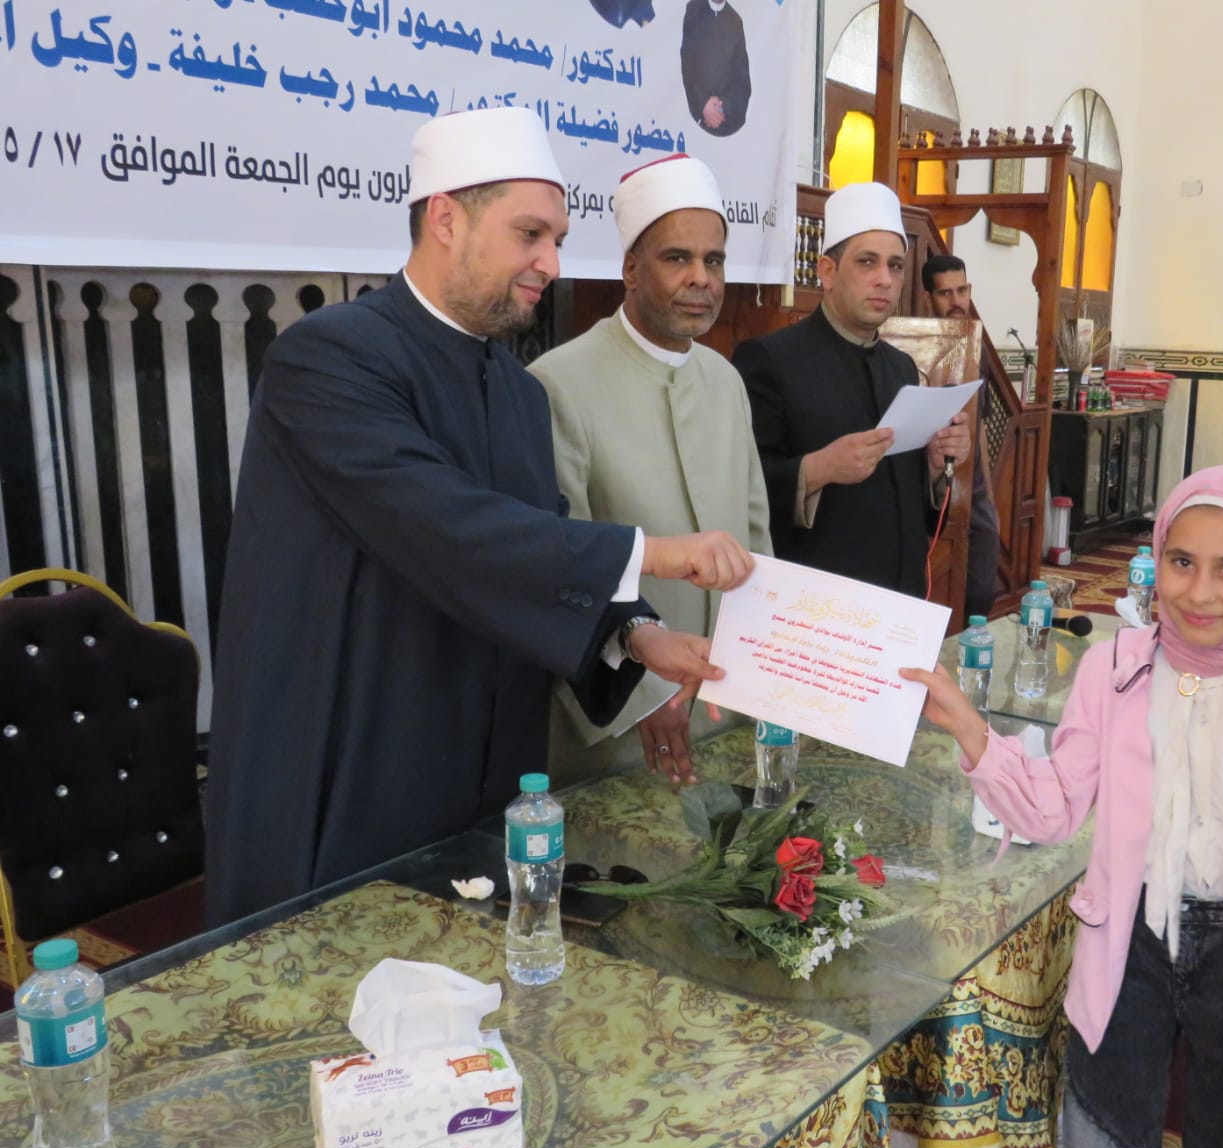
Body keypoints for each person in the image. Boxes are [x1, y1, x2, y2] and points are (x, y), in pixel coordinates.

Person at [205, 107, 753, 926]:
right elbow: (446, 526)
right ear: (446, 219)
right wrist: (660, 554)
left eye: (557, 239)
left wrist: (639, 634)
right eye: (529, 234)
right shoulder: (329, 357)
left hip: (490, 764)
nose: (551, 263)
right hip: (356, 749)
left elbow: (540, 538)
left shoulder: (519, 393)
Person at [902, 465, 1223, 1148]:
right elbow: (1052, 809)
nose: (1199, 593)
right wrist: (972, 731)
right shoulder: (1114, 670)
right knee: (1105, 1146)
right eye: (1181, 561)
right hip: (1125, 946)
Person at [532, 154, 772, 785]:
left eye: (714, 261)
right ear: (631, 269)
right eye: (677, 258)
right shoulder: (557, 384)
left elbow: (756, 542)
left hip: (727, 707)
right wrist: (643, 694)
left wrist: (769, 674)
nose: (701, 279)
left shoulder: (724, 381)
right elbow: (558, 569)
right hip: (618, 723)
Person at [733, 182, 971, 597]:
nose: (884, 280)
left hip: (899, 600)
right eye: (867, 262)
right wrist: (818, 468)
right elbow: (738, 489)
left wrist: (934, 467)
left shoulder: (901, 367)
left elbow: (905, 504)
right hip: (815, 606)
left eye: (895, 266)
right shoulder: (770, 360)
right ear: (828, 272)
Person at [921, 252, 1000, 618]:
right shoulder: (910, 347)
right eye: (945, 293)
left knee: (981, 591)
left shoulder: (977, 345)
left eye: (962, 291)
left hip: (973, 488)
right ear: (928, 298)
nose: (957, 301)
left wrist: (989, 495)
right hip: (930, 488)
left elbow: (979, 424)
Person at [680, 0, 750, 137]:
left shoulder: (735, 21)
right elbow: (688, 67)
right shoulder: (693, 11)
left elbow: (742, 81)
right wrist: (704, 102)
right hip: (697, 117)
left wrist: (723, 107)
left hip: (728, 121)